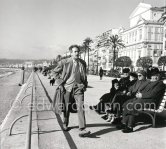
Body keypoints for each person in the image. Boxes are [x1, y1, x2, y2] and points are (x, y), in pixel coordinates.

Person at [53, 45, 91, 137]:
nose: (77, 53)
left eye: (78, 51)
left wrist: (84, 85)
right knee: (66, 108)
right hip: (67, 88)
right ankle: (65, 123)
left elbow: (84, 75)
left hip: (79, 88)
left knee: (80, 107)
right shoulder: (64, 62)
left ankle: (82, 128)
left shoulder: (82, 63)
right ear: (71, 53)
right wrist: (60, 83)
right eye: (75, 51)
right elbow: (54, 72)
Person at [119, 68, 165, 133]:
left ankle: (130, 126)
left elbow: (153, 94)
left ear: (159, 75)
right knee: (127, 103)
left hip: (152, 102)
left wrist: (142, 95)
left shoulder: (160, 84)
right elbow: (141, 89)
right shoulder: (149, 82)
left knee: (133, 105)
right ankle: (124, 123)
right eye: (152, 76)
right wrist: (138, 94)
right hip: (144, 100)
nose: (154, 77)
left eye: (156, 75)